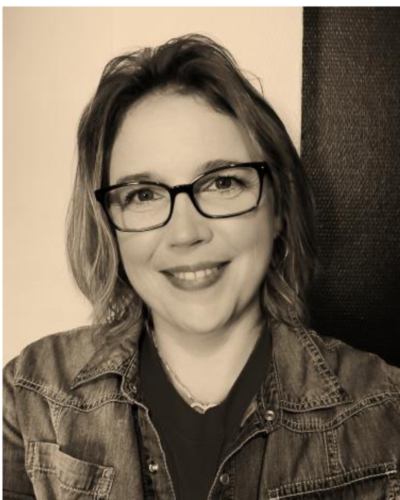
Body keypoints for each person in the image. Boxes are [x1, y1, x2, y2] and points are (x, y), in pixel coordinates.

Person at [3, 33, 400, 500]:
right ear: (108, 224)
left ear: (279, 207)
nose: (185, 233)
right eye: (143, 194)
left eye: (222, 183)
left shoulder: (386, 415)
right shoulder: (31, 397)